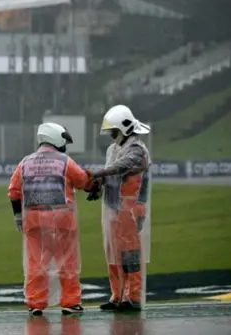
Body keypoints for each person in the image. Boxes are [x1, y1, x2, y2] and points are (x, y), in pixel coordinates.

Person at [8, 122, 95, 316]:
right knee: (67, 262)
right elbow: (82, 180)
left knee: (36, 262)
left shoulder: (25, 163)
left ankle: (36, 302)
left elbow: (13, 192)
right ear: (56, 138)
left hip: (33, 221)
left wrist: (18, 217)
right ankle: (70, 302)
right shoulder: (65, 161)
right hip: (63, 220)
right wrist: (93, 181)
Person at [87, 105, 152, 312]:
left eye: (113, 131)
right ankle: (117, 295)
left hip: (131, 208)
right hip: (112, 208)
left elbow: (122, 166)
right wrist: (98, 186)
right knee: (112, 254)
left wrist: (97, 175)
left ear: (124, 129)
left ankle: (132, 297)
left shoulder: (137, 150)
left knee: (130, 255)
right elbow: (111, 175)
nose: (111, 135)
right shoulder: (113, 149)